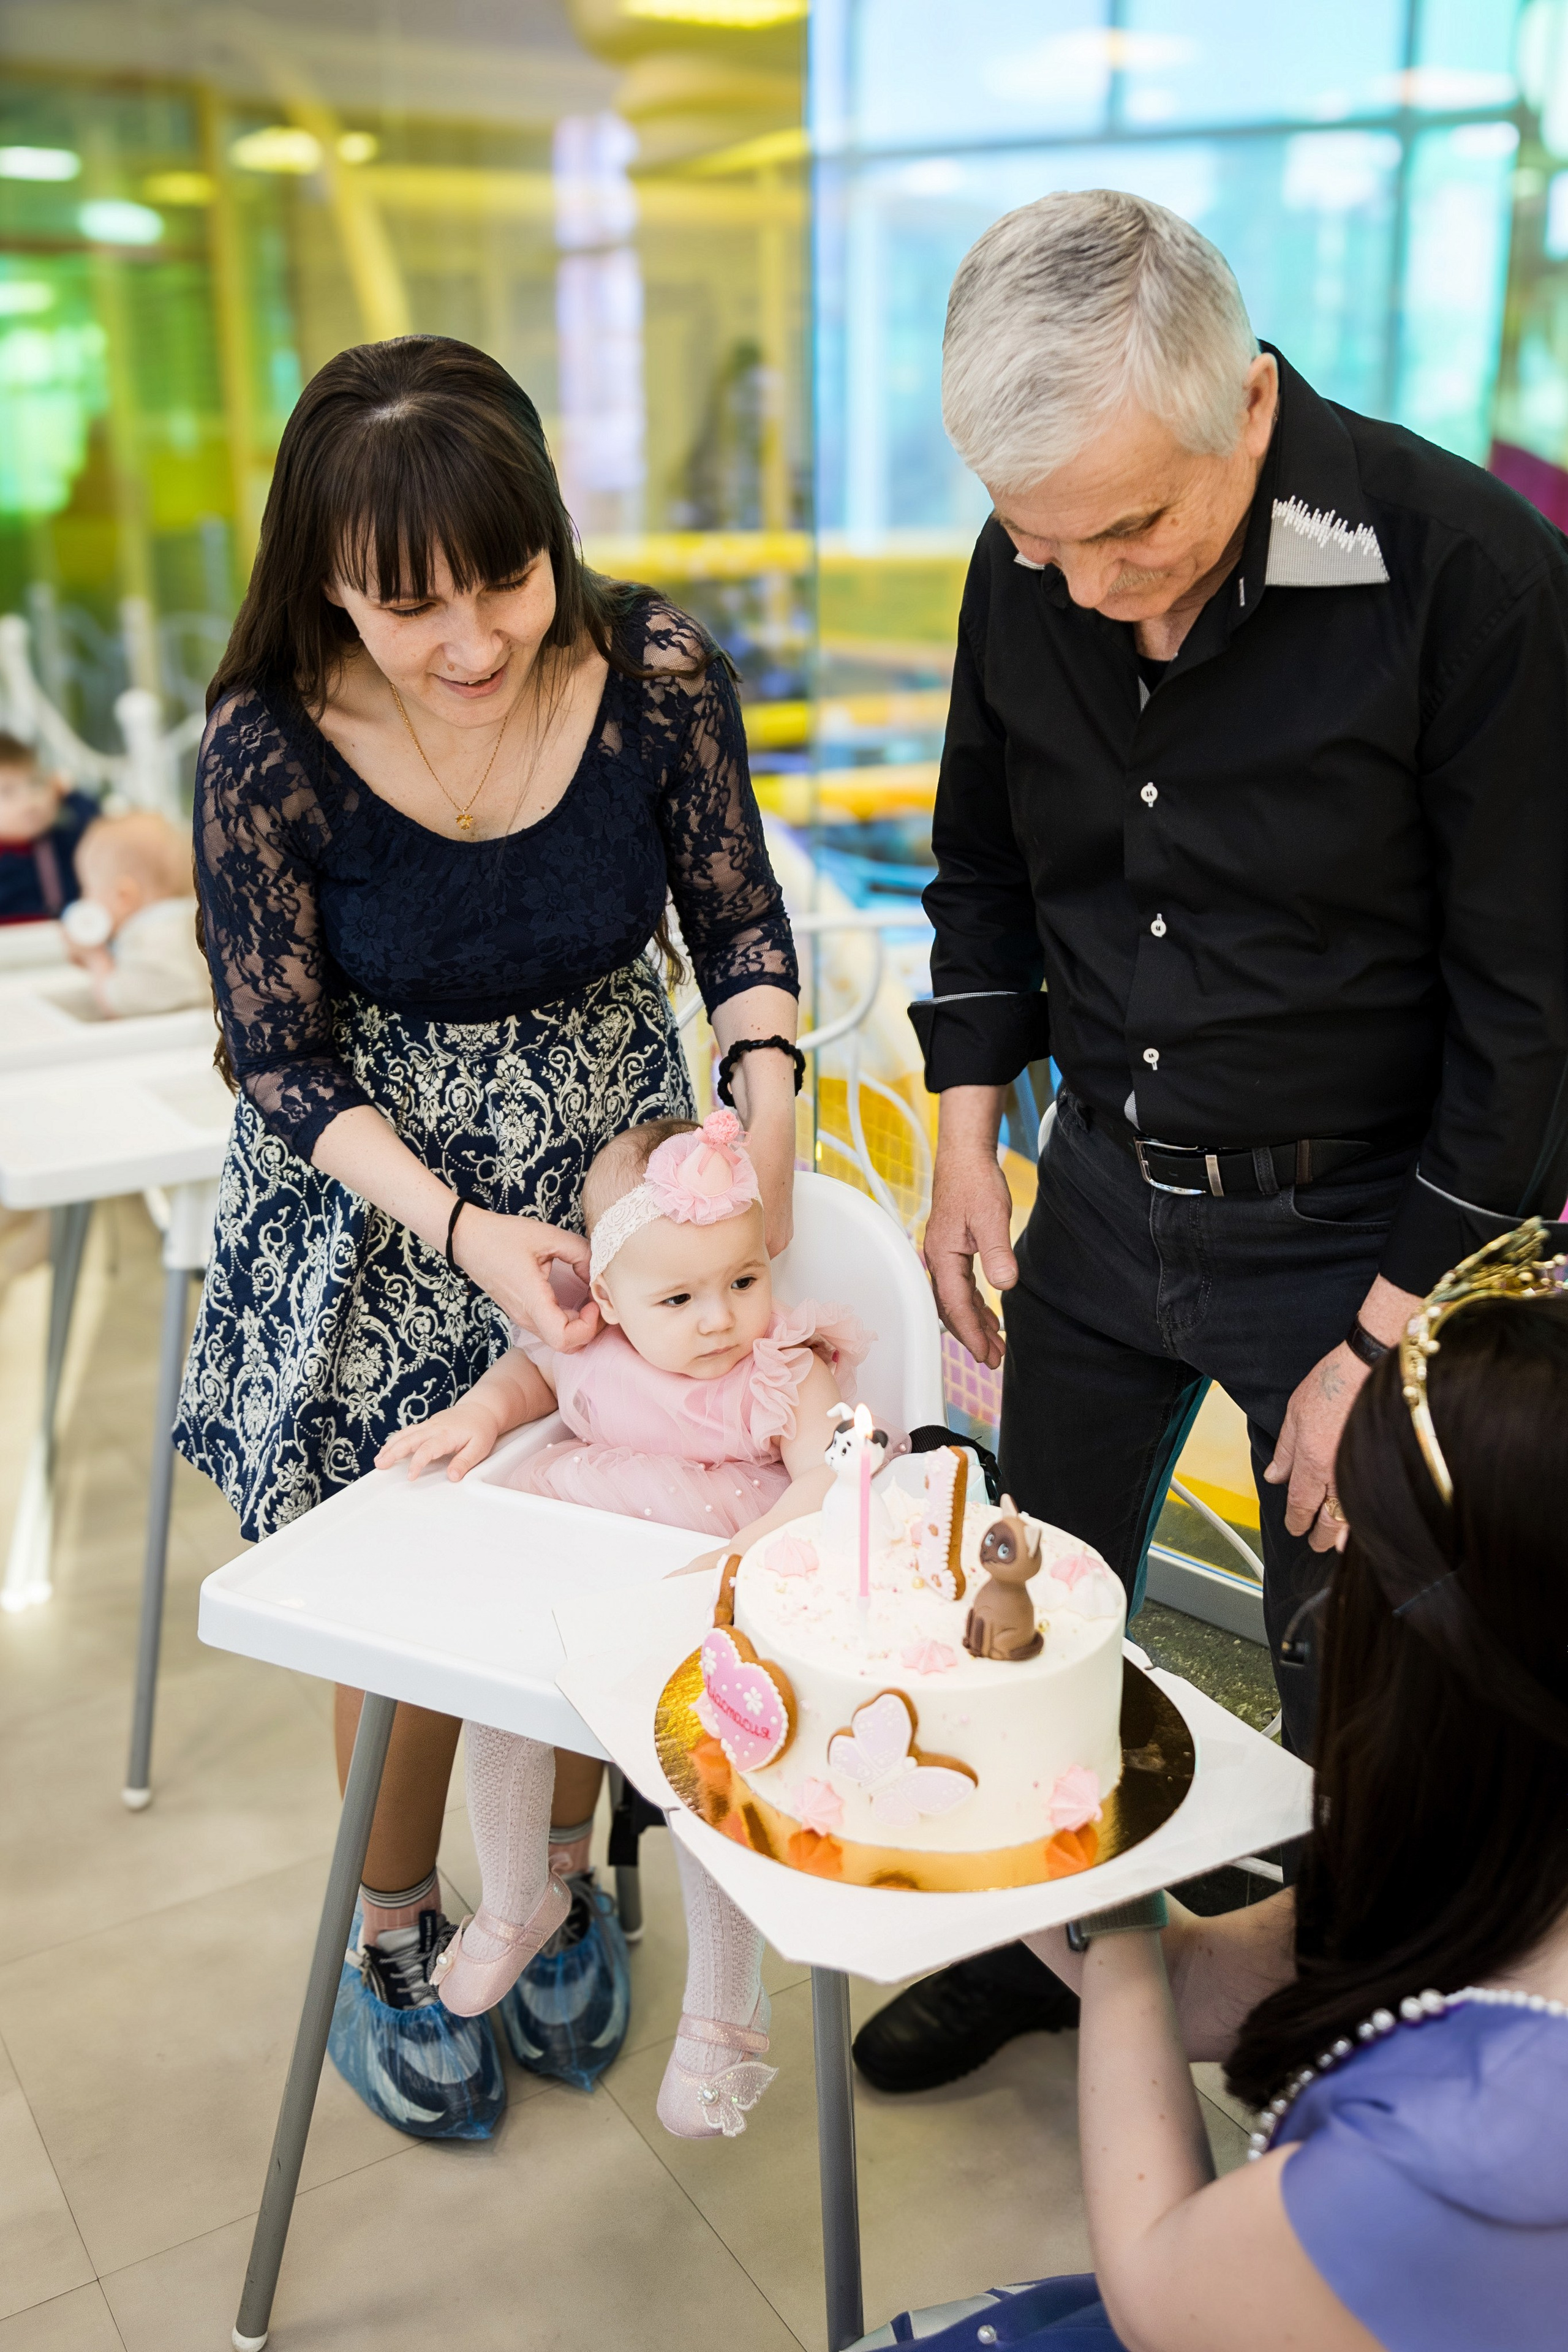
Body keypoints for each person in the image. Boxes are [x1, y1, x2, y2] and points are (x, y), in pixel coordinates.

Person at [857, 186, 1568, 2093]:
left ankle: (1343, 2037)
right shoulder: (1032, 564)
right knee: (1032, 1607)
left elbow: (1525, 1016)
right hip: (1098, 1194)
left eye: (1129, 531)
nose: (1083, 587)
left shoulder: (1471, 578)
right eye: (1034, 538)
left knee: (1362, 1694)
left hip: (1362, 1232)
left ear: (1244, 406)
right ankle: (1044, 1948)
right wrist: (959, 1142)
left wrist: (1371, 1338)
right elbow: (984, 873)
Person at [175, 334, 801, 2135]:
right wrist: (460, 1227)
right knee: (409, 1596)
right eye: (405, 606)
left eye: (506, 582)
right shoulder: (267, 748)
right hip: (381, 1207)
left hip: (615, 1186)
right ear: (324, 584)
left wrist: (757, 1119)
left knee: (623, 1551)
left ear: (555, 538)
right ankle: (394, 1924)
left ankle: (560, 1878)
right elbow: (275, 1055)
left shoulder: (656, 670)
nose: (469, 643)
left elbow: (738, 929)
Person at [859, 1224, 1568, 2350]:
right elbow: (1199, 1986)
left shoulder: (1490, 2139)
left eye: (1359, 1557)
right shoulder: (1498, 1862)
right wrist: (993, 1781)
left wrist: (1104, 1850)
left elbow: (1159, 2301)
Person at [379, 1108, 871, 2139]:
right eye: (680, 1296)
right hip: (578, 1601)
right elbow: (527, 1380)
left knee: (703, 1779)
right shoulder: (590, 1350)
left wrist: (766, 1537)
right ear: (606, 1298)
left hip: (709, 1623)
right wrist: (478, 1415)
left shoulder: (780, 1367)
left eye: (743, 1280)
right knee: (498, 1706)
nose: (719, 1319)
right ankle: (519, 1898)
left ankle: (724, 2011)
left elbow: (838, 1467)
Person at [62, 809, 210, 1015]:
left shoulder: (149, 938)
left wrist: (95, 958)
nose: (84, 899)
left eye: (87, 888)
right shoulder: (195, 922)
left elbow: (119, 1003)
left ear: (124, 897)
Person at [0, 732, 95, 923]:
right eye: (7, 792)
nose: (29, 801)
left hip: (60, 943)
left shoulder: (63, 843)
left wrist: (71, 795)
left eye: (36, 783)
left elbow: (97, 828)